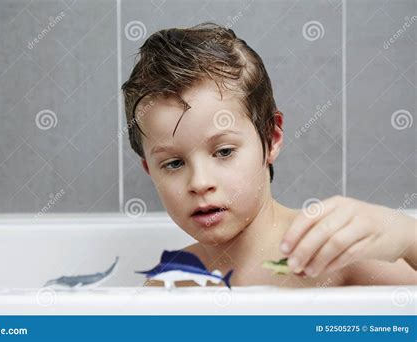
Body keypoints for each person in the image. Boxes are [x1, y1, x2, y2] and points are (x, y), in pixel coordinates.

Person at [121, 22, 416, 287]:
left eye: (224, 151)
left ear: (271, 138)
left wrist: (406, 236)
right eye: (173, 163)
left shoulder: (331, 256)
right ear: (150, 171)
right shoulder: (169, 283)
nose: (199, 183)